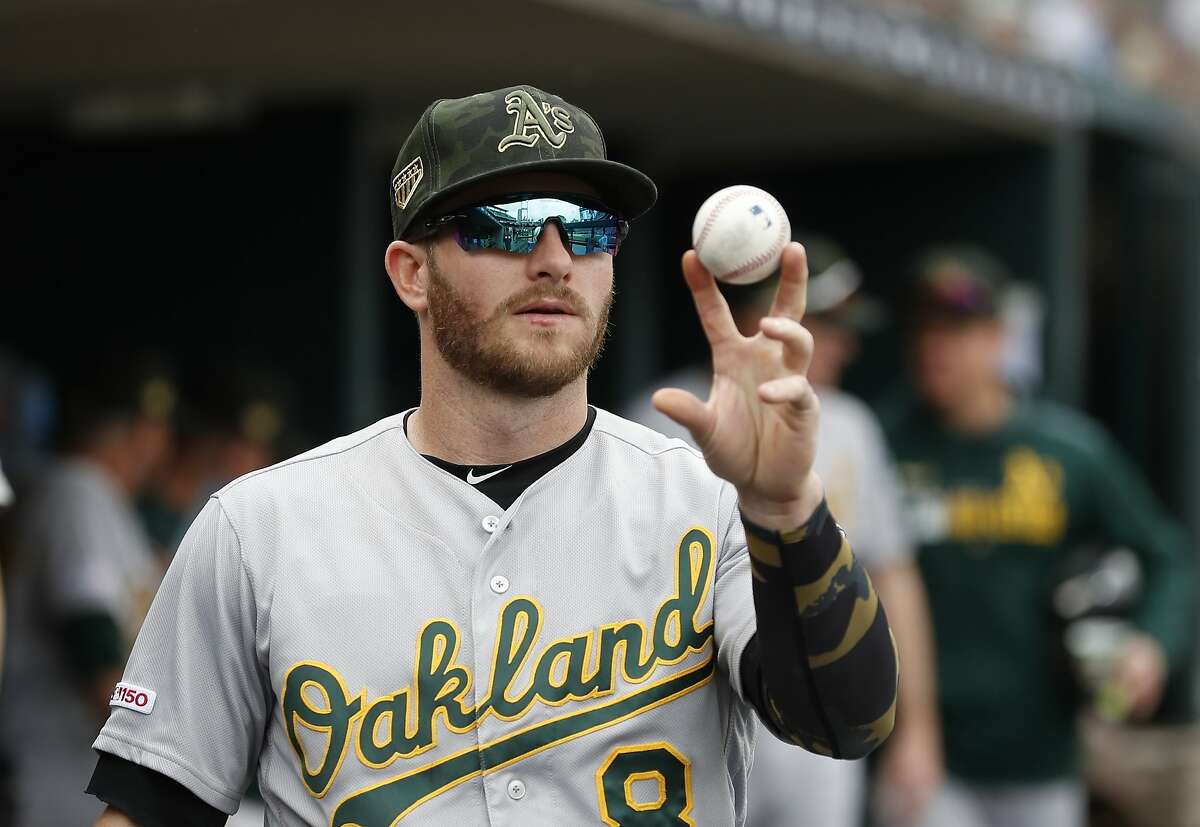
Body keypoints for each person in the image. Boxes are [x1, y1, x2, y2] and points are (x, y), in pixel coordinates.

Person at [86, 85, 898, 826]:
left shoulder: (704, 501)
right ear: (411, 273)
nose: (553, 258)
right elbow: (152, 806)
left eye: (586, 227)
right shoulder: (256, 528)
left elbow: (845, 719)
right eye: (504, 224)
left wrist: (787, 510)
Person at [626, 238, 942, 827]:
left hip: (816, 690)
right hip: (694, 699)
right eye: (830, 322)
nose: (846, 343)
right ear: (765, 317)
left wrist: (916, 729)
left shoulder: (849, 423)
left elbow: (892, 574)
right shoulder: (662, 411)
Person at [883, 246, 1194, 827]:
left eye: (958, 329)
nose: (936, 346)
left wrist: (1152, 644)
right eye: (924, 329)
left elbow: (1169, 557)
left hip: (1042, 750)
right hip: (920, 749)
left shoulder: (1066, 450)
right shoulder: (883, 442)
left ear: (999, 336)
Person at [0, 359, 175, 827]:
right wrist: (159, 745)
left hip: (87, 779)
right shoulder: (77, 492)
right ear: (133, 432)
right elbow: (91, 641)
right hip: (60, 780)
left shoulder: (103, 501)